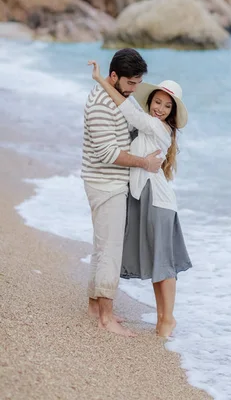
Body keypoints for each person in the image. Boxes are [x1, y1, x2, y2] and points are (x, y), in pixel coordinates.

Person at [89, 60, 192, 339]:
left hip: (157, 201)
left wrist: (101, 81)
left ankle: (168, 319)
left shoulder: (160, 129)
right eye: (157, 102)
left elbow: (128, 110)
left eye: (167, 106)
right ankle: (162, 319)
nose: (160, 108)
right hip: (145, 197)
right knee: (159, 261)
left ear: (172, 113)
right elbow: (131, 109)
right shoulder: (149, 123)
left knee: (164, 263)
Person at [82, 49, 163, 337]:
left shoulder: (117, 97)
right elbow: (107, 153)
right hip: (105, 183)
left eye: (137, 84)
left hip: (111, 182)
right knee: (110, 251)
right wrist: (144, 162)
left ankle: (95, 306)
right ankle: (106, 317)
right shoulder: (101, 105)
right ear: (113, 76)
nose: (133, 90)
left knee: (103, 246)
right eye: (129, 83)